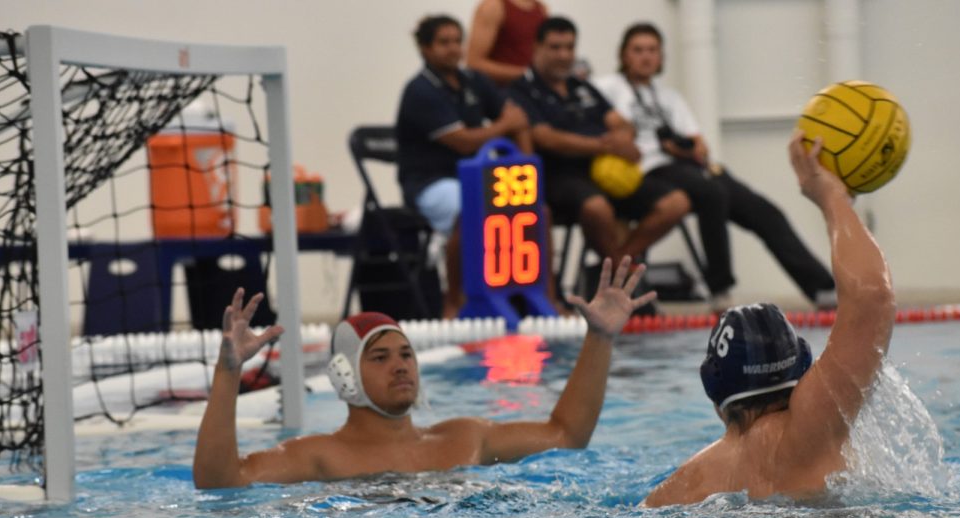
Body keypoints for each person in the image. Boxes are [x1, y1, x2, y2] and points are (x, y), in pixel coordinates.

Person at [192, 257, 656, 488]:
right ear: (344, 377)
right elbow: (218, 481)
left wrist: (600, 339)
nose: (400, 366)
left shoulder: (466, 438)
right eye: (380, 358)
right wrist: (228, 373)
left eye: (406, 355)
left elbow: (566, 435)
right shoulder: (319, 457)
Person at [643, 132, 895, 507]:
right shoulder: (814, 425)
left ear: (715, 398)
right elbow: (871, 296)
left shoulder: (683, 486)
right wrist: (831, 196)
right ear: (804, 372)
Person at [593, 22, 837, 310]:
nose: (645, 57)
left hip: (688, 168)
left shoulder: (670, 97)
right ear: (624, 55)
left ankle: (823, 289)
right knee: (711, 192)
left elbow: (699, 145)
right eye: (638, 50)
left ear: (660, 57)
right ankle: (720, 289)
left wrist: (684, 147)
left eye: (652, 50)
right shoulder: (606, 88)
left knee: (765, 211)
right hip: (647, 171)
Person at [508, 16, 690, 295]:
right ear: (537, 48)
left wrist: (624, 139)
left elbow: (621, 123)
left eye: (569, 48)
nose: (564, 55)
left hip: (605, 172)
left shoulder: (581, 86)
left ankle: (620, 264)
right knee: (597, 208)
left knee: (676, 202)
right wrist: (604, 145)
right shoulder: (521, 89)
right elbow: (546, 138)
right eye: (555, 48)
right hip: (559, 176)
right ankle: (621, 281)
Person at [396, 14, 538, 319]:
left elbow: (518, 121)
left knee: (535, 208)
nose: (453, 49)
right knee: (470, 209)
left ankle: (536, 295)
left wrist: (528, 173)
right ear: (424, 48)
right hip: (431, 182)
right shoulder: (420, 90)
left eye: (457, 41)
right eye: (443, 42)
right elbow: (463, 142)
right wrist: (504, 125)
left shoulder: (474, 80)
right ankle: (454, 300)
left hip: (481, 178)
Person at [466, 0, 549, 88]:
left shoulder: (541, 9)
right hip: (501, 92)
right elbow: (474, 63)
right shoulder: (493, 6)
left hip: (532, 90)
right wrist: (527, 75)